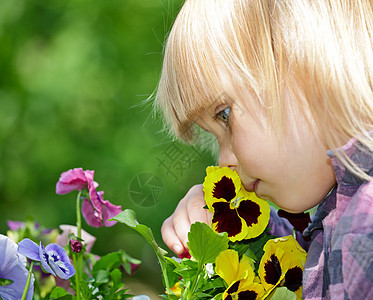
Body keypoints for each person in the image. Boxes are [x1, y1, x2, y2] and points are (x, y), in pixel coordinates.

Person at [154, 0, 373, 299]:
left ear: (308, 55)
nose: (223, 161)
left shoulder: (366, 221)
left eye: (225, 115)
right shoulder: (343, 213)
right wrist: (250, 234)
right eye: (213, 135)